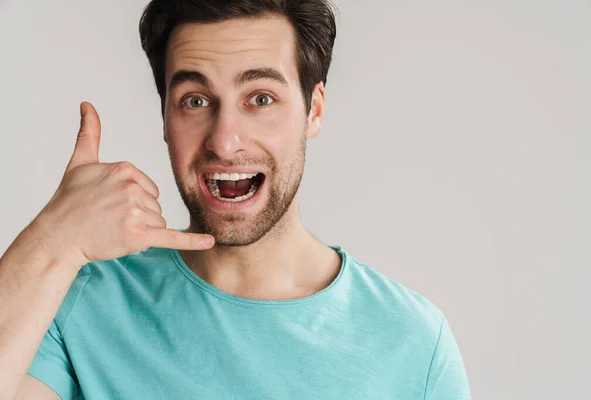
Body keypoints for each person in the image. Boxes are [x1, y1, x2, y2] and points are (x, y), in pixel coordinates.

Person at [0, 0, 471, 399]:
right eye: (196, 101)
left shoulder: (413, 342)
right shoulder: (81, 300)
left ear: (314, 110)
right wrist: (51, 239)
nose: (225, 142)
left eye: (261, 98)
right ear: (165, 117)